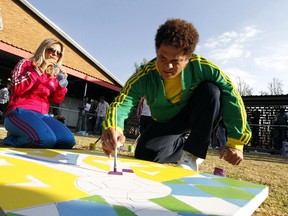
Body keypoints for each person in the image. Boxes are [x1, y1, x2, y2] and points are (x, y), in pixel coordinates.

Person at [101, 18, 251, 171]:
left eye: (176, 61)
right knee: (144, 154)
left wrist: (236, 142)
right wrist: (115, 125)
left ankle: (192, 155)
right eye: (162, 58)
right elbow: (124, 99)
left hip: (193, 115)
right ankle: (181, 146)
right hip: (164, 122)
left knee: (212, 90)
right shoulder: (146, 75)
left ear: (188, 58)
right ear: (157, 52)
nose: (167, 66)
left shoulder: (202, 67)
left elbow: (232, 95)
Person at [3, 38, 75, 148]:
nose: (55, 54)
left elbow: (57, 100)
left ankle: (28, 136)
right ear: (43, 49)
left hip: (42, 116)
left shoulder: (53, 75)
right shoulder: (26, 64)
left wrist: (62, 85)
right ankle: (12, 139)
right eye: (51, 50)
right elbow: (17, 87)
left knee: (68, 140)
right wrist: (40, 69)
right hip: (19, 112)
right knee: (46, 140)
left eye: (59, 53)